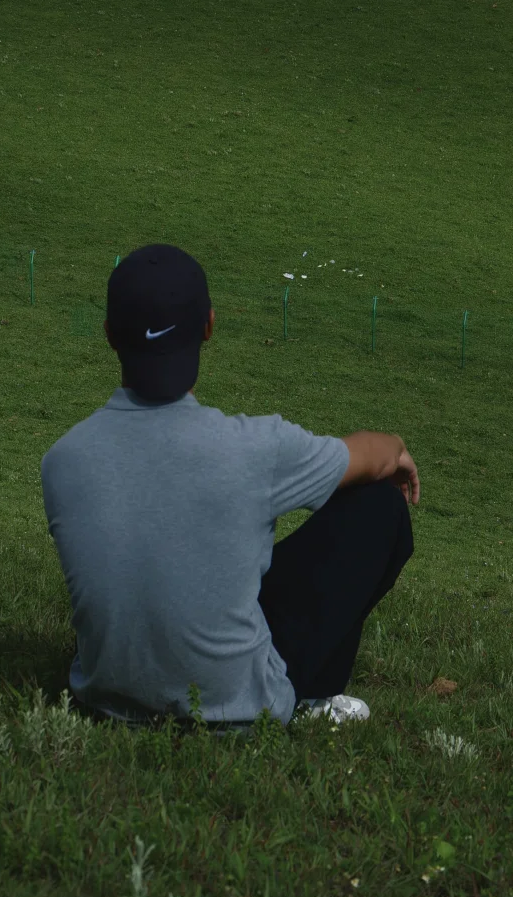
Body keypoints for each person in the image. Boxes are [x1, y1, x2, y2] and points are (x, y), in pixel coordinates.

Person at [40, 244, 418, 733]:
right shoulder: (255, 448)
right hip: (240, 705)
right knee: (380, 506)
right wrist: (397, 449)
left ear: (110, 334)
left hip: (105, 697)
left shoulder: (62, 460)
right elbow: (376, 454)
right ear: (209, 326)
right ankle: (310, 697)